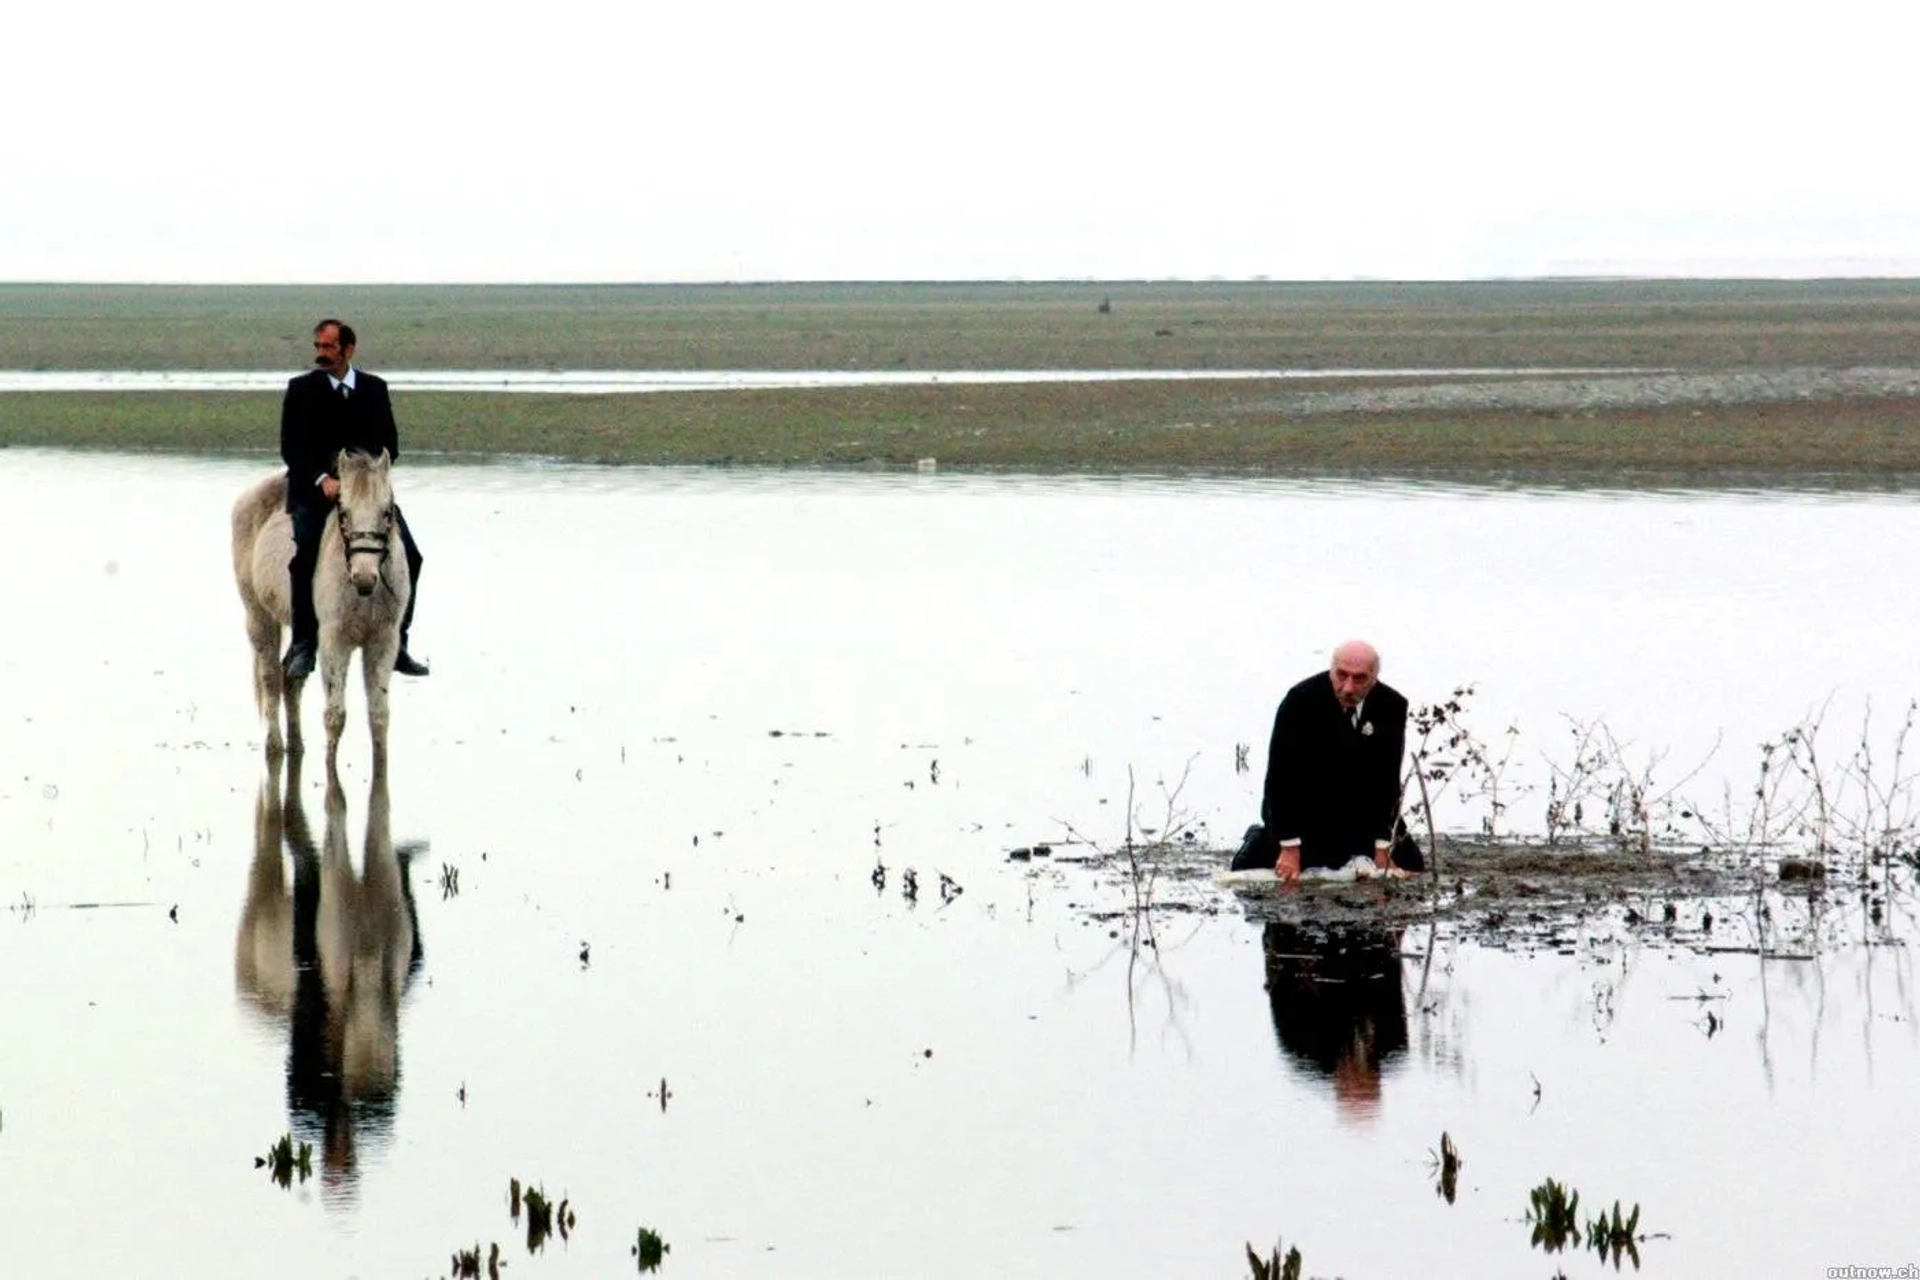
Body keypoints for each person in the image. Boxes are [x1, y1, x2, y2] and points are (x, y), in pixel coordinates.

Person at [280, 319, 429, 679]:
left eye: (328, 347)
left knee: (411, 554)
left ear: (348, 350)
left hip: (364, 491)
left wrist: (362, 473)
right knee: (306, 556)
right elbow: (291, 447)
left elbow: (391, 445)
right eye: (318, 346)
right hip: (315, 491)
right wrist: (322, 479)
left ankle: (400, 643)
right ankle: (303, 644)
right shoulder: (300, 390)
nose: (321, 354)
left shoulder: (375, 389)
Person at [1231, 639, 1421, 878]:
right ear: (1331, 669)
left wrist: (1383, 847)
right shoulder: (1299, 701)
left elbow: (1387, 779)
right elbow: (1281, 779)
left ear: (1374, 678)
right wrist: (1289, 846)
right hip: (1307, 812)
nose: (1348, 687)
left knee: (1412, 863)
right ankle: (1257, 836)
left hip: (1361, 813)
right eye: (1341, 675)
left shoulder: (1391, 705)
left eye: (1359, 678)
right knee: (1251, 865)